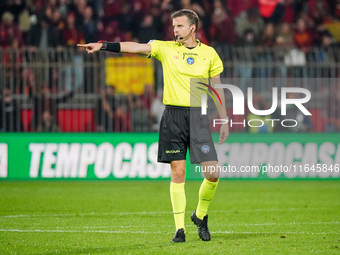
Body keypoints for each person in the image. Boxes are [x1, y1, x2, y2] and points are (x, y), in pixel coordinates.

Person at [77, 9, 229, 243]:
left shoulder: (209, 54)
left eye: (179, 26)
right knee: (178, 173)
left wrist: (224, 119)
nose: (175, 29)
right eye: (173, 26)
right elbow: (135, 47)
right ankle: (180, 229)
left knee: (213, 173)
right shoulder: (165, 48)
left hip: (198, 119)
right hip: (173, 118)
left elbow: (217, 88)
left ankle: (200, 215)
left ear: (192, 28)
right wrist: (103, 45)